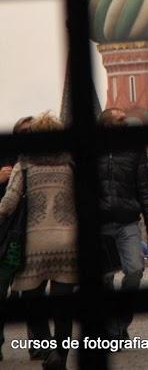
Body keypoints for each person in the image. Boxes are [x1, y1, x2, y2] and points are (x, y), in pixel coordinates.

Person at [0, 113, 77, 370]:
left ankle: (46, 350)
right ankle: (60, 357)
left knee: (33, 301)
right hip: (67, 241)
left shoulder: (24, 166)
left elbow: (8, 204)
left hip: (34, 243)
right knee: (63, 305)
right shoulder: (71, 166)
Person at [97, 108, 148, 340]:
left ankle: (120, 320)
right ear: (106, 124)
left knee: (134, 271)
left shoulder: (134, 147)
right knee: (104, 279)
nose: (126, 121)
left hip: (128, 222)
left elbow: (145, 188)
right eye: (120, 119)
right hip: (100, 224)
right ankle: (113, 331)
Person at [0, 116, 33, 361]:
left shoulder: (41, 159)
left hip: (32, 230)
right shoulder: (6, 157)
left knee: (32, 290)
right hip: (4, 232)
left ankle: (39, 343)